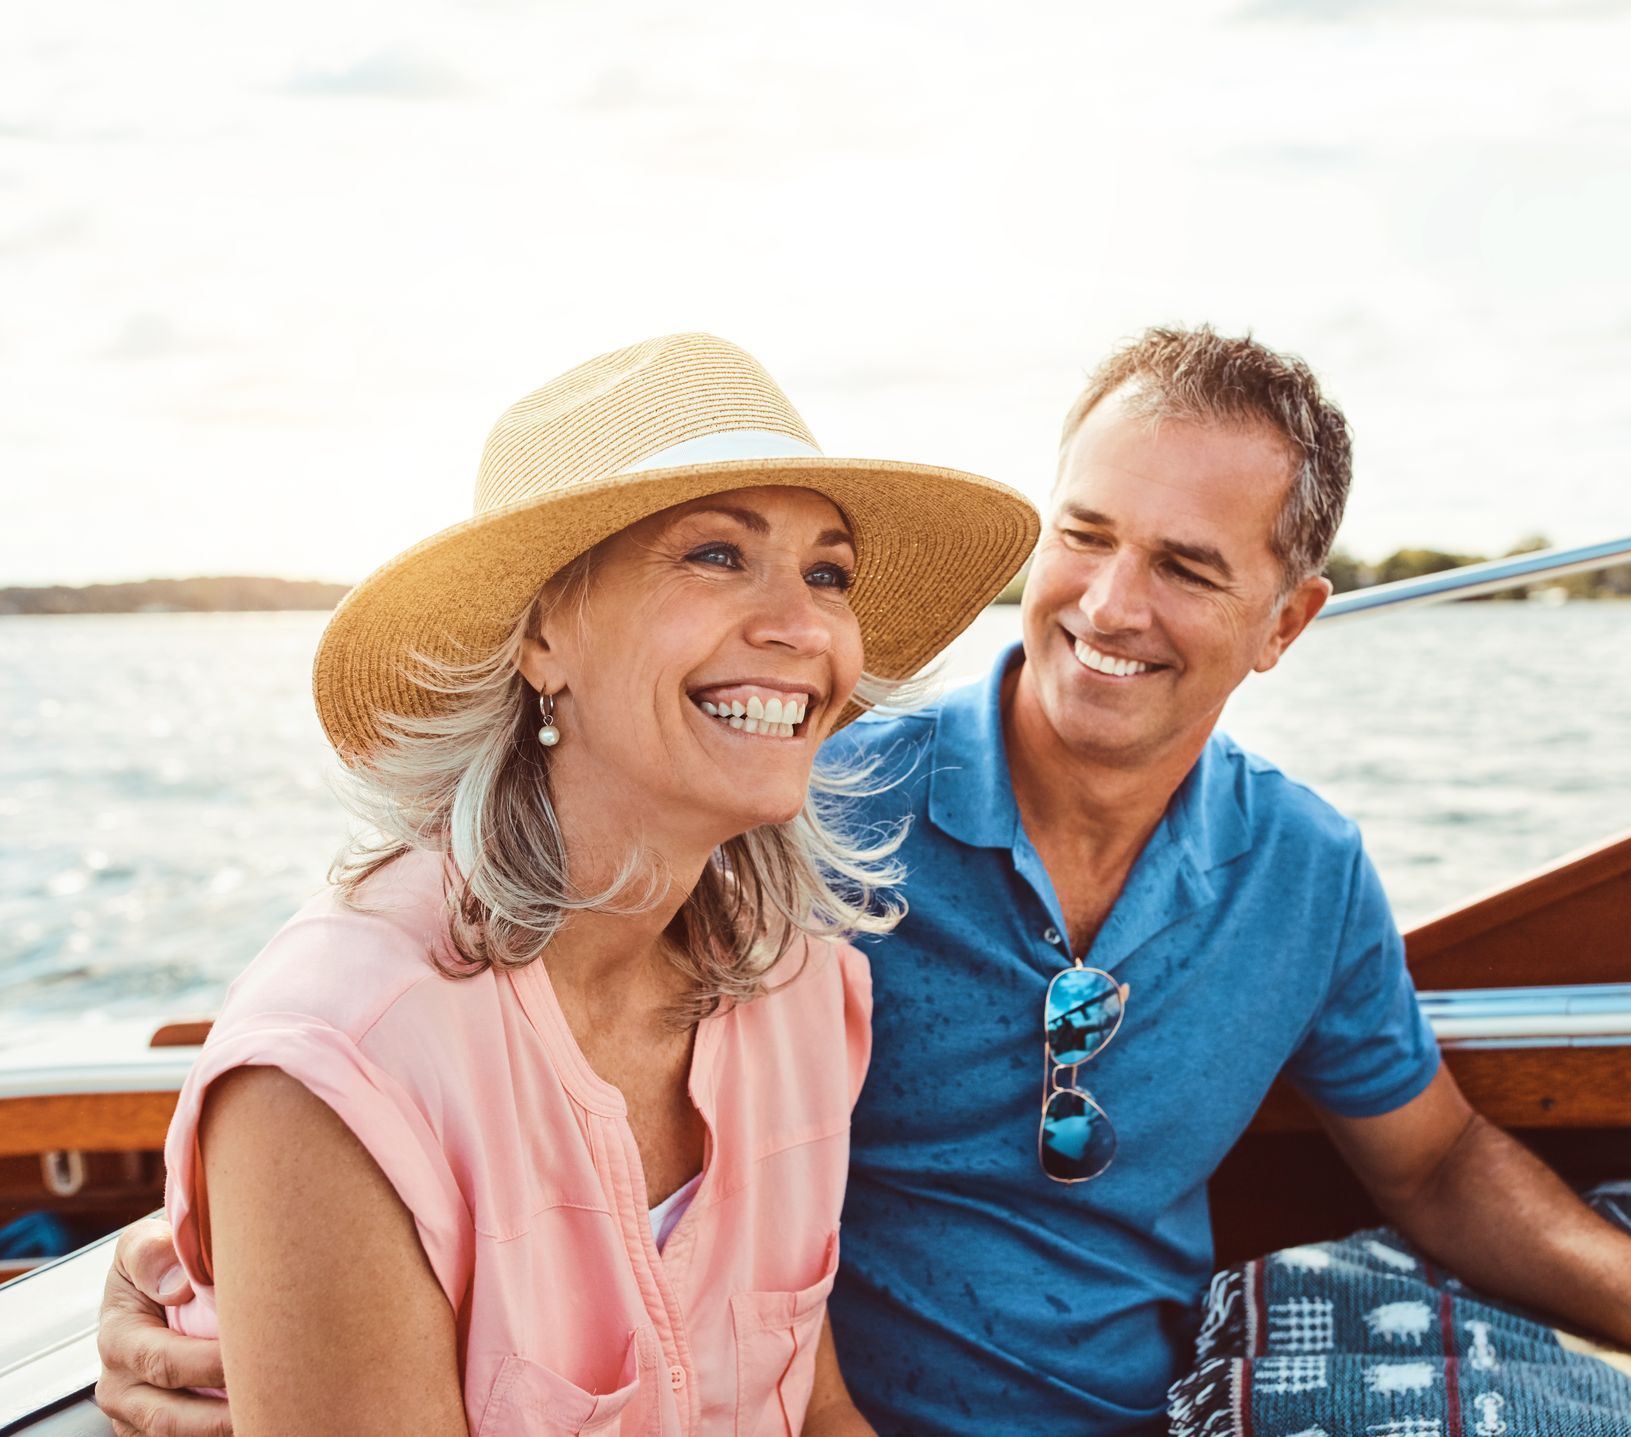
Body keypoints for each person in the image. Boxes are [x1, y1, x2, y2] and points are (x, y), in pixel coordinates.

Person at [97, 327, 1631, 1437]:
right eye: (1085, 535)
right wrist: (202, 1274)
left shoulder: (1256, 875)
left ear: (1288, 624)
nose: (1112, 608)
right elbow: (402, 1001)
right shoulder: (803, 813)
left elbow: (1432, 1156)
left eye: (1190, 568)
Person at [100, 332, 1036, 1436]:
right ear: (542, 634)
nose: (801, 626)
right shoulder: (340, 1059)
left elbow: (815, 1407)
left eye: (826, 574)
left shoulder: (802, 985)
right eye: (716, 556)